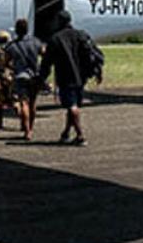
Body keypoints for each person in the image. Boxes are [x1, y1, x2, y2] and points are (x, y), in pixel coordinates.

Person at [41, 12, 100, 146]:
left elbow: (47, 61)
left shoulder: (55, 38)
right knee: (73, 106)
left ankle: (80, 136)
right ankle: (66, 133)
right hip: (81, 77)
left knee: (72, 106)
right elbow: (89, 54)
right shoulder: (81, 35)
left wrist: (41, 78)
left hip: (66, 77)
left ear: (59, 22)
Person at [4, 18, 45, 140]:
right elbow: (44, 54)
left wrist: (14, 67)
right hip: (35, 76)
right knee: (33, 103)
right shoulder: (36, 42)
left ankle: (27, 130)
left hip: (20, 76)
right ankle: (31, 128)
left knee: (24, 103)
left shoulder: (11, 46)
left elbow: (6, 62)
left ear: (16, 31)